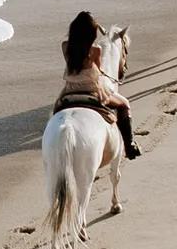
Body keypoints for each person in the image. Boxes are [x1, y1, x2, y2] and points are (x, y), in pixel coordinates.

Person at [53, 9, 141, 159]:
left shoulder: (65, 46)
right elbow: (99, 73)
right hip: (93, 90)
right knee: (124, 104)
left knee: (56, 110)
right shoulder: (96, 50)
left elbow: (71, 64)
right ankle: (130, 145)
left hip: (70, 89)